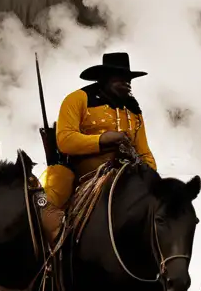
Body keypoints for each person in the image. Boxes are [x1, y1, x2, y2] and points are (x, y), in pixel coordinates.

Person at [38, 52, 156, 244]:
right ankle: (47, 259)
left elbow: (144, 152)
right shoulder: (78, 99)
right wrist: (103, 140)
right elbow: (65, 139)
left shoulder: (133, 110)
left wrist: (150, 174)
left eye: (129, 79)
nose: (127, 83)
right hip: (80, 173)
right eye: (121, 78)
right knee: (43, 204)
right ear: (105, 79)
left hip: (126, 175)